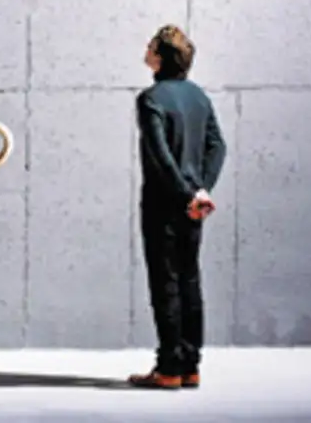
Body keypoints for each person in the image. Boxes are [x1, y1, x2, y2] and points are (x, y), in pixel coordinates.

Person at [129, 25, 227, 391]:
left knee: (165, 283)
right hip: (194, 207)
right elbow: (218, 146)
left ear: (160, 57)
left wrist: (187, 194)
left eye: (151, 45)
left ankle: (168, 368)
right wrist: (201, 190)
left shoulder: (150, 99)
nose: (146, 48)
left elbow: (160, 155)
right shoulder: (199, 97)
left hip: (164, 204)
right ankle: (190, 366)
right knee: (189, 280)